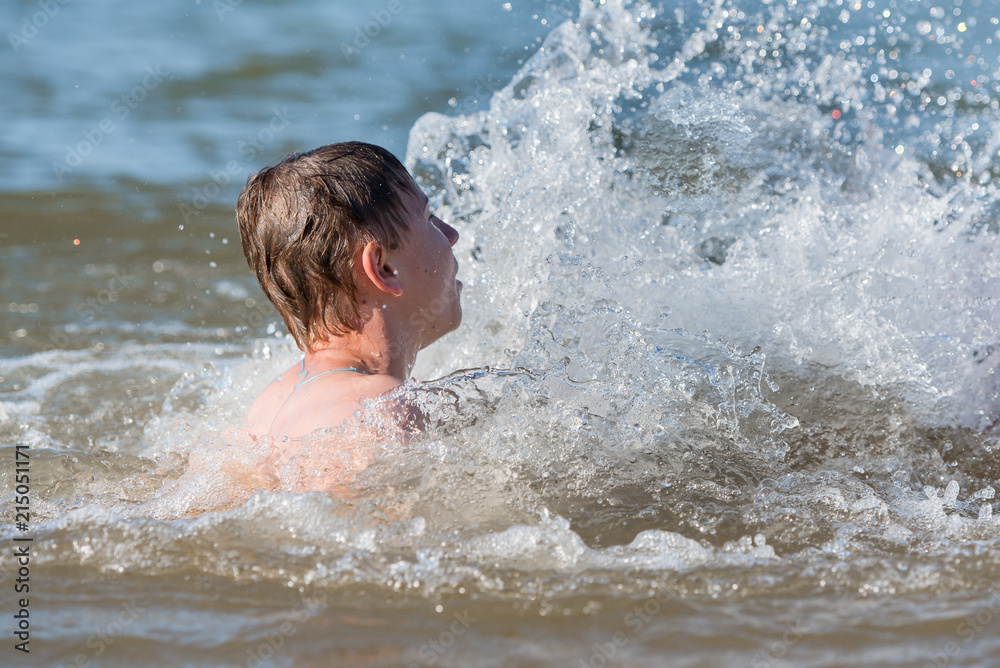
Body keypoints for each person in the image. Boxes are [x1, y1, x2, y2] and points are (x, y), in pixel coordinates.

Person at [235, 141, 462, 443]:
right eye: (429, 217)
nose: (451, 234)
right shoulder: (385, 410)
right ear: (384, 269)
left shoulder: (270, 404)